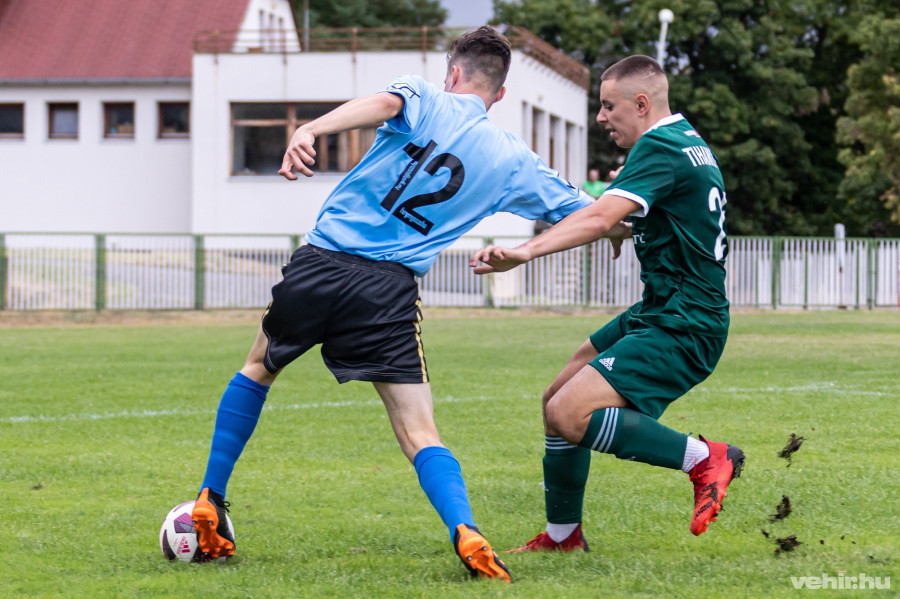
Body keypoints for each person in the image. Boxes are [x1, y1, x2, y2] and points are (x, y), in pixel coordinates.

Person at [188, 26, 593, 580]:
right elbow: (589, 212)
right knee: (419, 431)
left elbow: (382, 103)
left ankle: (210, 496)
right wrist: (615, 230)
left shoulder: (423, 96)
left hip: (323, 262)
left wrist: (309, 128)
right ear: (499, 95)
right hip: (388, 292)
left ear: (452, 72)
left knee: (258, 369)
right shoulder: (515, 160)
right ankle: (466, 531)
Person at [469, 54, 745, 552]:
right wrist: (628, 221)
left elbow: (599, 218)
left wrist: (524, 251)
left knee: (573, 414)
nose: (600, 117)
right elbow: (640, 213)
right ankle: (563, 537)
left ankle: (705, 457)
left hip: (685, 321)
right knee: (556, 400)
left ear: (641, 104)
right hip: (661, 308)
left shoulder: (660, 145)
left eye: (607, 106)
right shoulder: (688, 143)